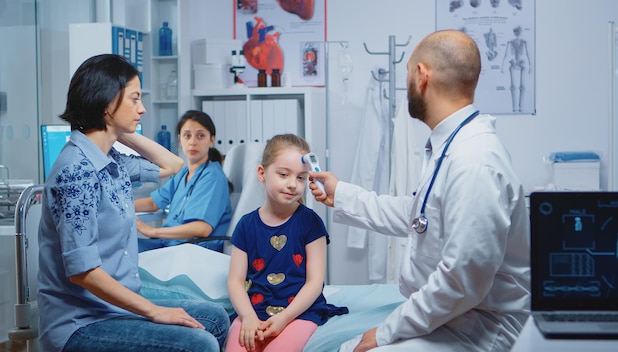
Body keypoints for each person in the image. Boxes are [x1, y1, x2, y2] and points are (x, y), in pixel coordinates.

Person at [309, 30, 530, 352]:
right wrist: (341, 193)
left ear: (421, 75)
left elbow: (461, 281)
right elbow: (419, 216)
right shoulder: (453, 147)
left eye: (408, 73)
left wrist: (385, 332)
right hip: (455, 314)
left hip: (480, 326)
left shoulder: (474, 163)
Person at [37, 54, 230, 352]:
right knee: (199, 343)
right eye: (134, 99)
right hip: (82, 321)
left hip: (112, 307)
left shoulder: (111, 161)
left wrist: (120, 131)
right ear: (106, 101)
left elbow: (173, 164)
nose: (141, 109)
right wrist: (154, 311)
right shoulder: (76, 170)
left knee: (215, 318)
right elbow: (82, 272)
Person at [226, 134, 347, 352]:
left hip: (298, 313)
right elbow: (235, 281)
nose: (292, 184)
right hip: (254, 311)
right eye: (283, 174)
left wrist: (284, 318)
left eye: (301, 178)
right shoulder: (246, 225)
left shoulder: (310, 223)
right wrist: (248, 317)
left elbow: (314, 283)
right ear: (262, 174)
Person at [135, 110, 232, 253]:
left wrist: (151, 231)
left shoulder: (213, 177)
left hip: (192, 251)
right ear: (180, 140)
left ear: (212, 140)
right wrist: (121, 206)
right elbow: (154, 202)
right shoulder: (183, 173)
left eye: (200, 136)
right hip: (171, 245)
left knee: (124, 254)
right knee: (123, 247)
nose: (193, 142)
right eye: (187, 136)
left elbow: (202, 228)